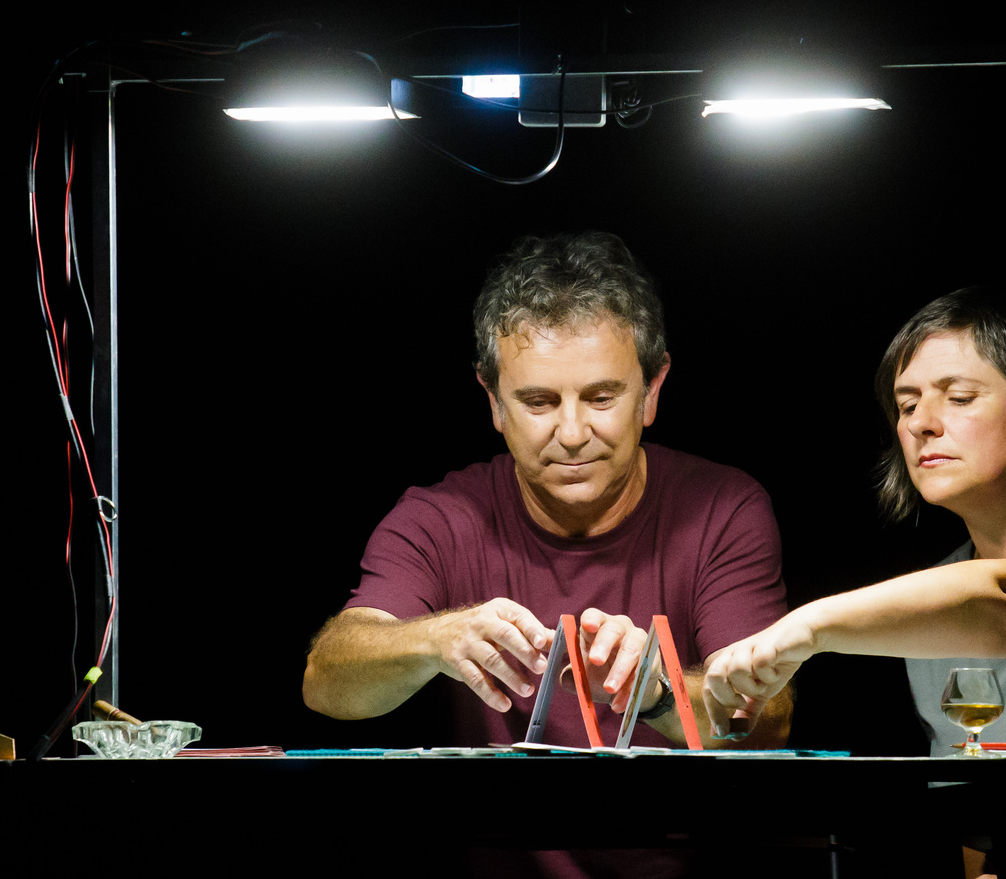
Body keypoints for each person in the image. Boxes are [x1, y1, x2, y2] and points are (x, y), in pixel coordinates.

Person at [702, 286, 1006, 875]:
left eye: (959, 397)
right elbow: (978, 825)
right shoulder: (935, 597)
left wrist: (807, 628)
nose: (922, 424)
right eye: (906, 405)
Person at [303, 230, 791, 750]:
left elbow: (768, 722)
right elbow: (326, 684)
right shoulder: (437, 518)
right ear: (494, 402)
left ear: (651, 392)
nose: (573, 434)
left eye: (601, 398)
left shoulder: (722, 510)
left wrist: (656, 693)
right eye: (539, 402)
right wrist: (435, 637)